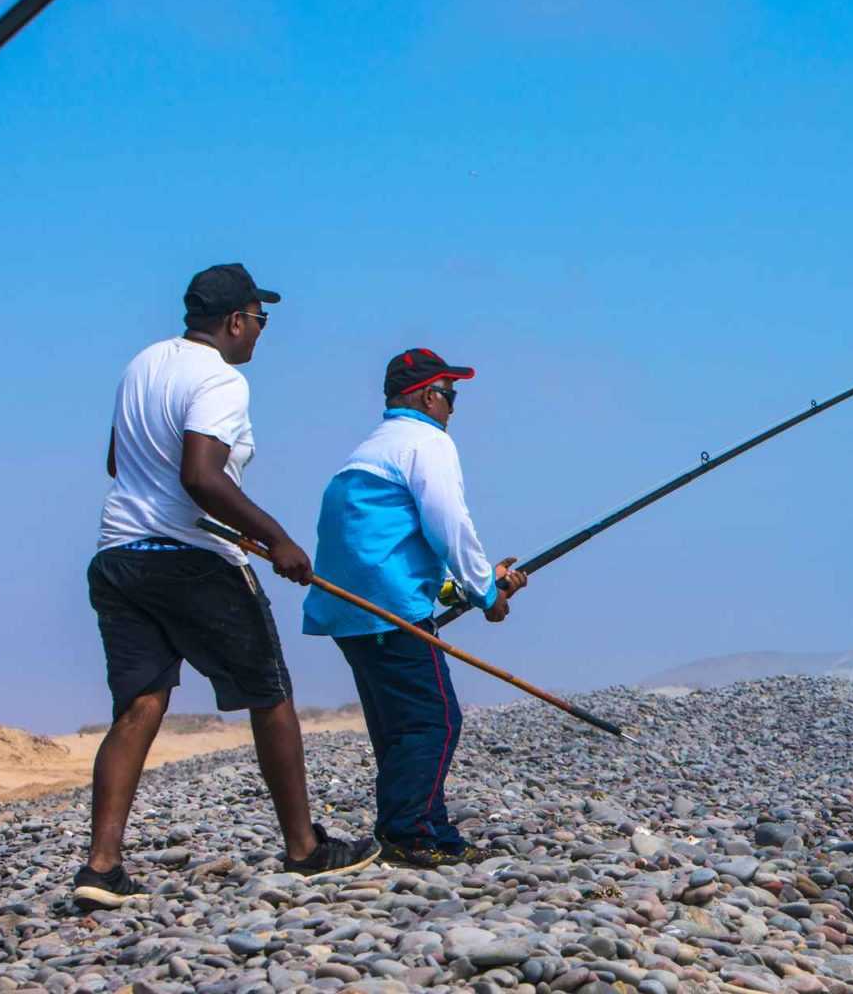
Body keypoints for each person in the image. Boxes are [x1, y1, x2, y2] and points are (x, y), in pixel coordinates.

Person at [80, 264, 379, 910]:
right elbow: (200, 474)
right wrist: (277, 540)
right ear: (235, 321)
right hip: (189, 559)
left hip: (119, 557)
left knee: (139, 706)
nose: (262, 333)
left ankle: (101, 868)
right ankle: (304, 849)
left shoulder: (142, 364)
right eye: (260, 320)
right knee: (269, 692)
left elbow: (118, 463)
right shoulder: (220, 379)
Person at [303, 348, 523, 868]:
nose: (452, 408)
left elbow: (390, 546)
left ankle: (429, 828)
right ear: (429, 395)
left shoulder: (369, 450)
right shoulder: (427, 442)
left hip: (349, 611)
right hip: (386, 610)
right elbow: (449, 525)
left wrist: (464, 588)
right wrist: (487, 596)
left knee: (400, 725)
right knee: (435, 719)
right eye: (451, 396)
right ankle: (409, 833)